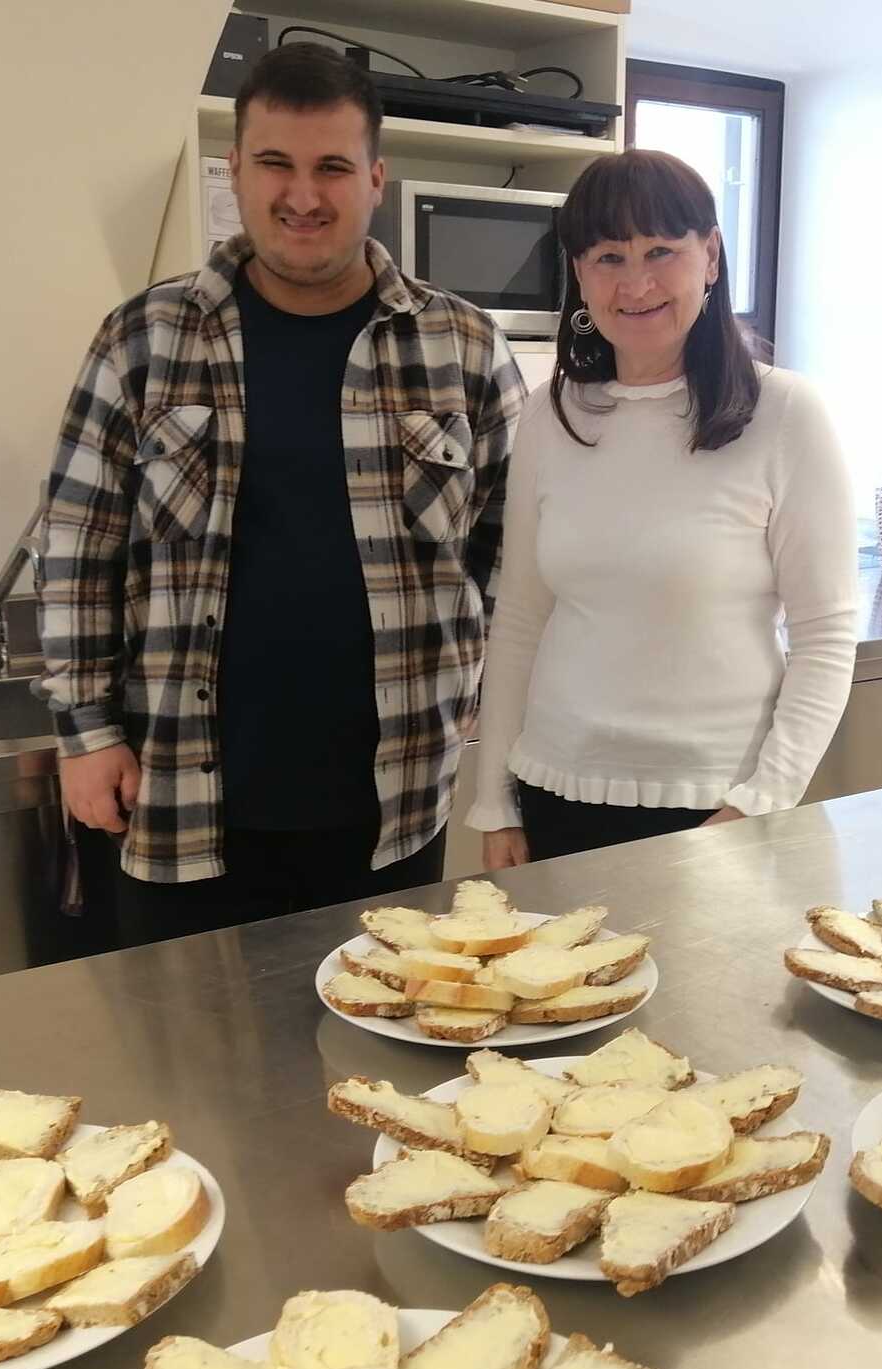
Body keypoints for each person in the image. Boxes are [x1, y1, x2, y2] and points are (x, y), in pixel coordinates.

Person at [37, 44, 524, 944]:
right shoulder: (143, 339)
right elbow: (76, 547)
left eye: (332, 166)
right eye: (275, 163)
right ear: (236, 170)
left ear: (374, 179)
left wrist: (479, 708)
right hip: (186, 806)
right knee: (185, 1038)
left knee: (384, 1031)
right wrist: (86, 731)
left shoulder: (464, 347)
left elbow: (512, 554)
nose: (303, 195)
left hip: (394, 808)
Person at [467, 150, 857, 868]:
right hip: (553, 793)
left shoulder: (784, 413)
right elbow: (520, 616)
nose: (636, 283)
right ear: (580, 273)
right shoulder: (552, 416)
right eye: (609, 257)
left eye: (660, 252)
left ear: (710, 256)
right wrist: (495, 802)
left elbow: (826, 634)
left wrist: (759, 801)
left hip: (717, 805)